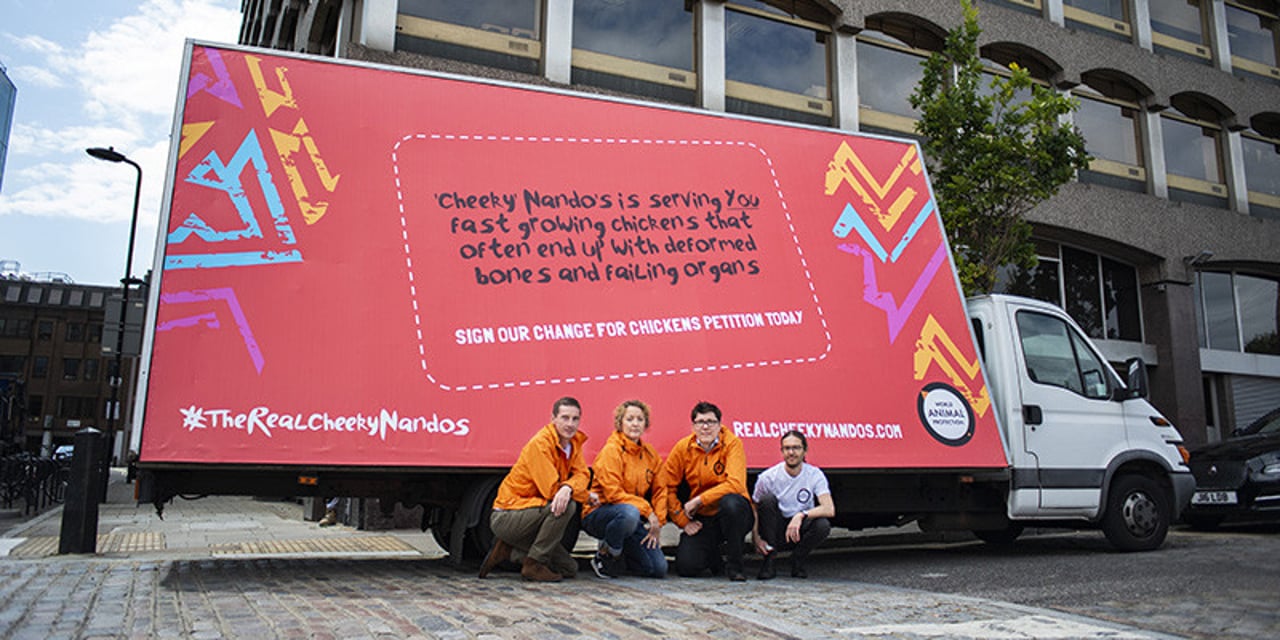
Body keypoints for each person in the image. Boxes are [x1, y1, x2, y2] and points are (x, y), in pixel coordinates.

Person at [479, 397, 590, 582]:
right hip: (507, 515)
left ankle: (508, 551)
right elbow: (552, 491)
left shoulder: (573, 444)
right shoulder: (540, 444)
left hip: (533, 511)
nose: (570, 424)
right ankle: (534, 564)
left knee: (569, 568)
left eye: (575, 419)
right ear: (553, 418)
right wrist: (573, 492)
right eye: (564, 418)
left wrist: (569, 486)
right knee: (566, 506)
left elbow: (582, 475)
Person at [659, 401, 753, 581]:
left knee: (731, 503)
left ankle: (736, 566)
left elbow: (736, 484)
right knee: (687, 567)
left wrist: (699, 500)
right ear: (693, 425)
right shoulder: (683, 448)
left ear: (719, 424)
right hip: (704, 518)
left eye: (711, 422)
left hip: (735, 514)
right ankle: (714, 558)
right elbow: (667, 486)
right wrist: (683, 521)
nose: (705, 427)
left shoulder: (733, 444)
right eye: (700, 422)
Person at [582, 400, 668, 579]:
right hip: (600, 513)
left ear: (646, 424)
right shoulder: (611, 451)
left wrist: (658, 521)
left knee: (658, 568)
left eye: (640, 419)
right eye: (629, 419)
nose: (635, 424)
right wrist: (647, 510)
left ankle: (622, 551)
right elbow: (613, 494)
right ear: (620, 423)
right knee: (630, 513)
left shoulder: (651, 454)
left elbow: (661, 490)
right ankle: (606, 555)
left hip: (632, 518)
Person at [751, 430, 834, 579]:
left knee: (822, 525)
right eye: (787, 448)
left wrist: (801, 515)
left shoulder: (815, 474)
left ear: (805, 450)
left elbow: (829, 508)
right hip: (775, 527)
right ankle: (769, 561)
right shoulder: (768, 477)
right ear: (782, 451)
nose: (791, 452)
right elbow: (755, 507)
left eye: (796, 448)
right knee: (767, 500)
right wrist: (756, 538)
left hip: (798, 527)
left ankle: (798, 559)